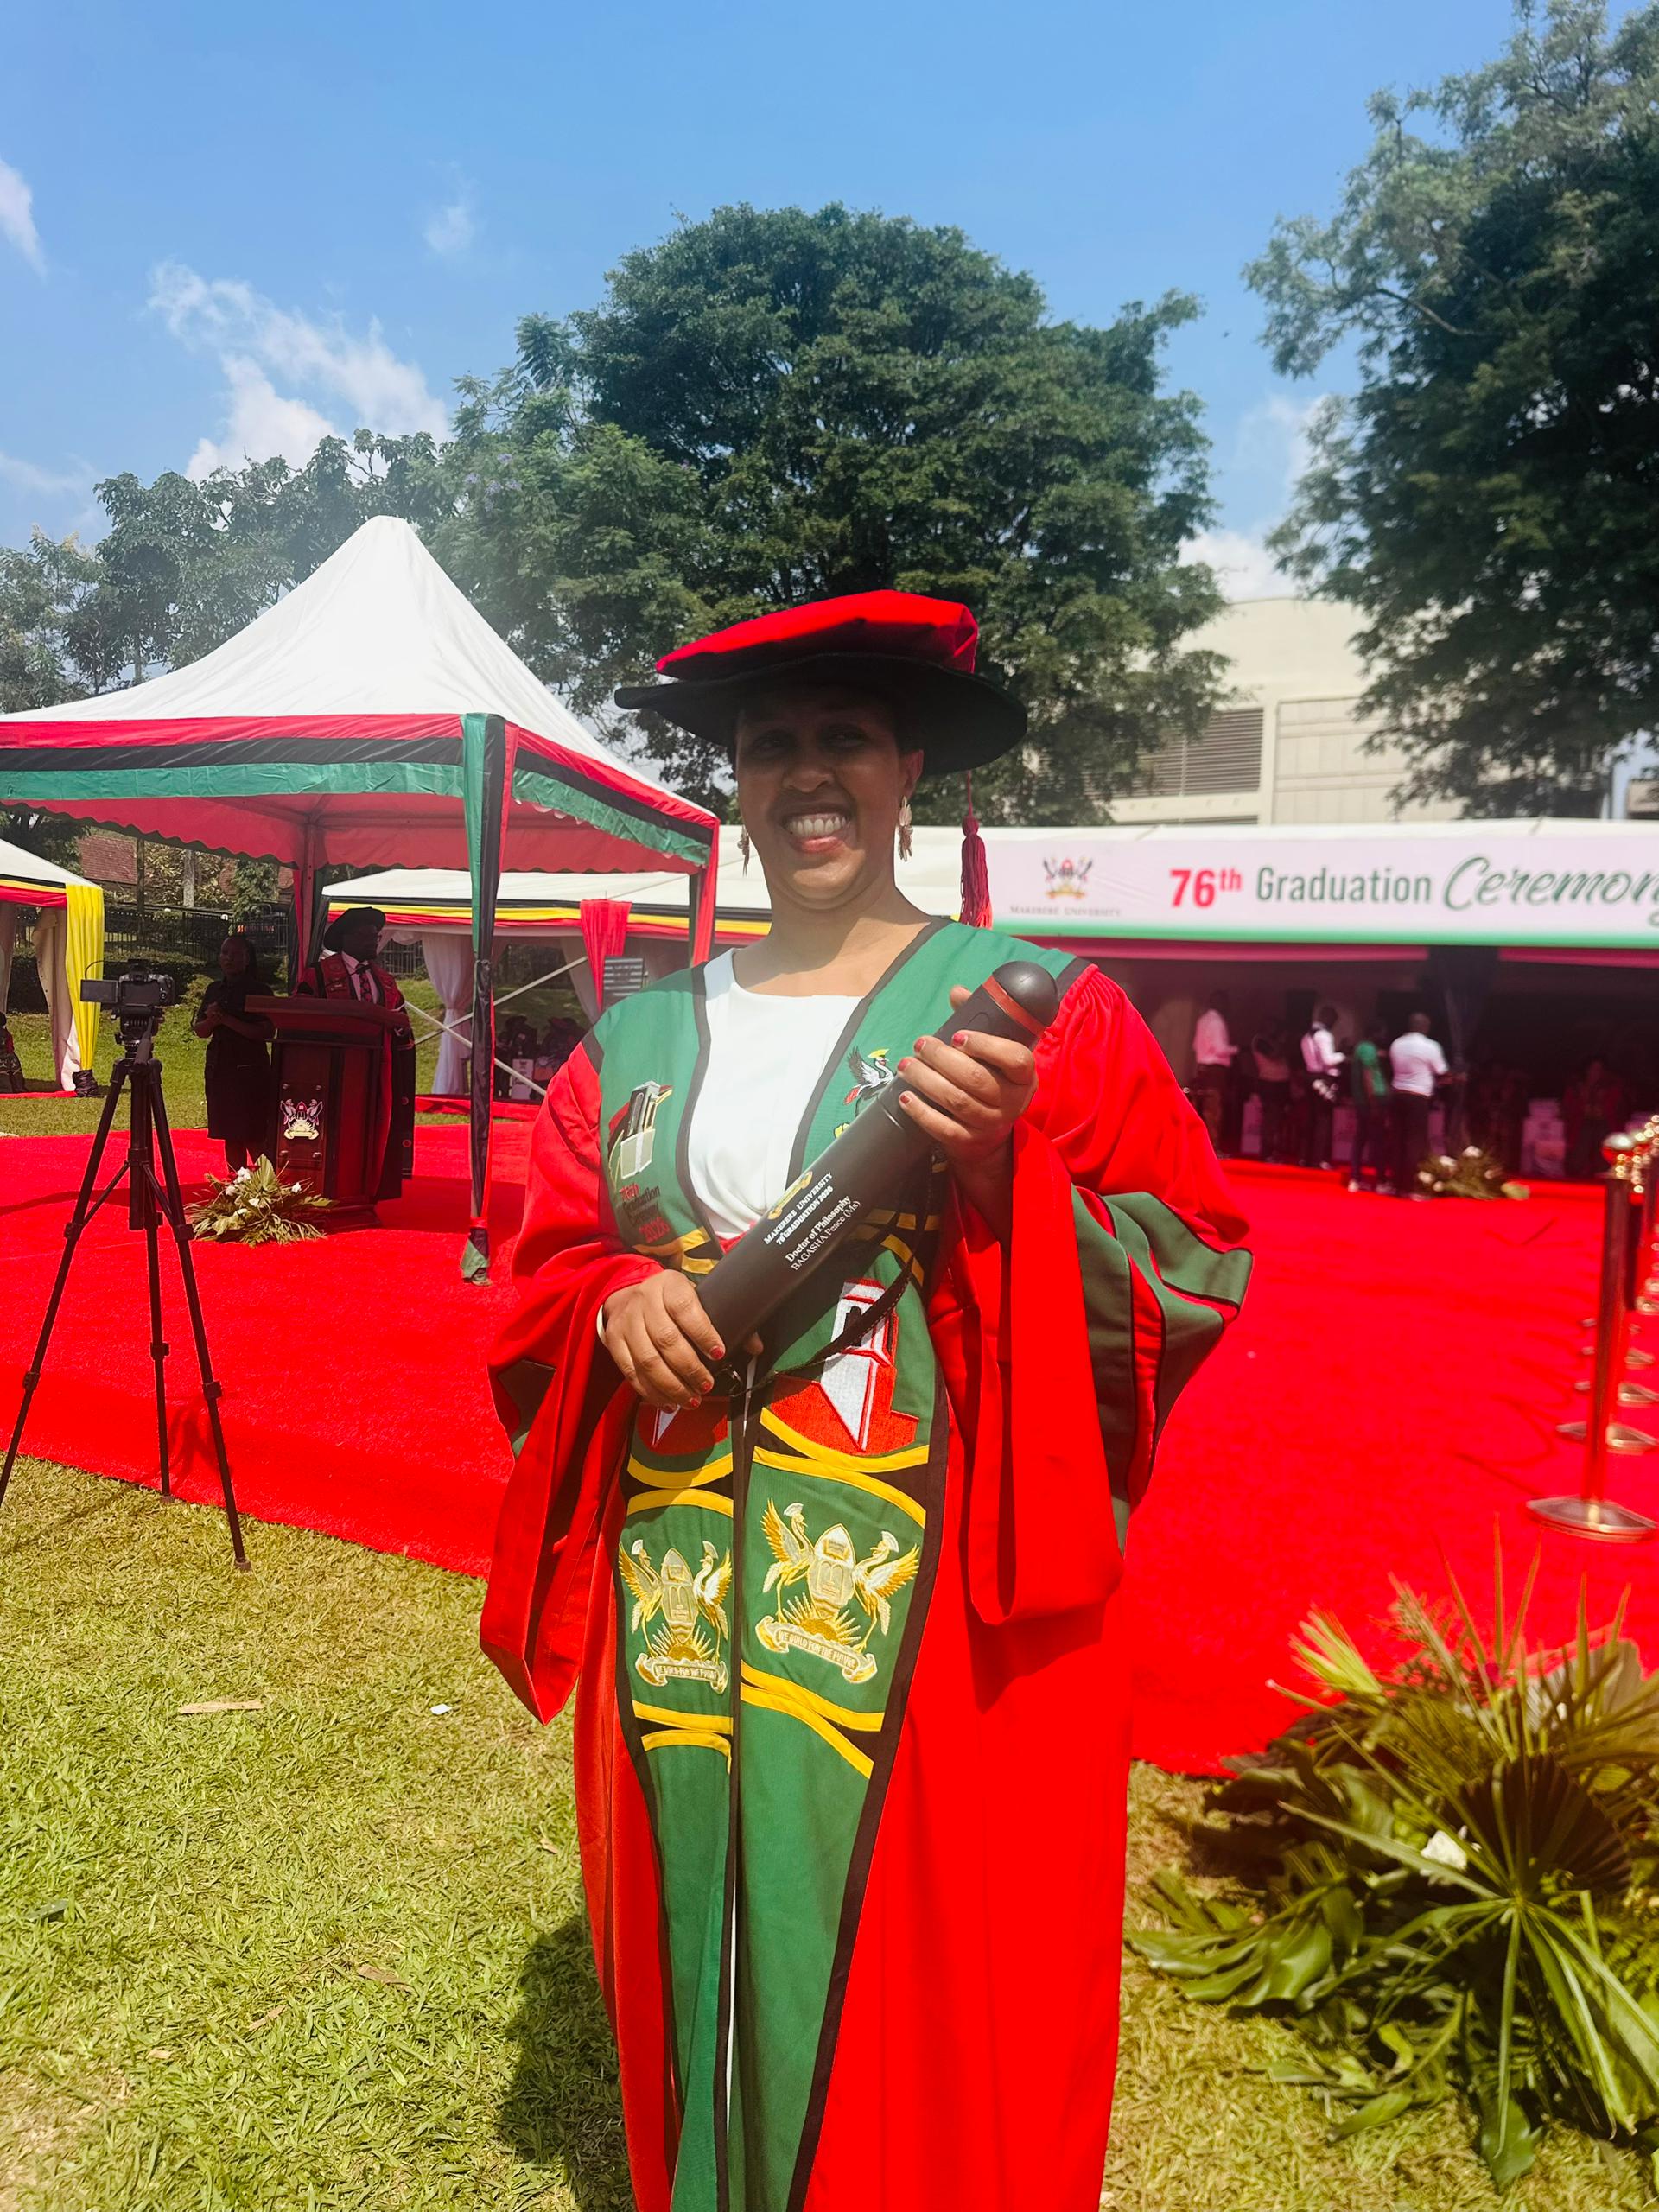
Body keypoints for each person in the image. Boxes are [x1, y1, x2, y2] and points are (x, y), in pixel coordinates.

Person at [480, 589, 1251, 2212]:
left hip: (928, 1603)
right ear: (738, 785)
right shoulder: (637, 1039)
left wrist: (1005, 1167)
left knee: (932, 1981)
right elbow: (539, 1273)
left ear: (911, 772)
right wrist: (615, 1301)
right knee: (699, 1916)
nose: (807, 774)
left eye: (846, 738)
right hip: (679, 1588)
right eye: (772, 746)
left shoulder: (1037, 1010)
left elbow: (1184, 1270)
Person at [296, 906, 416, 1198]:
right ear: (347, 938)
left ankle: (364, 1190)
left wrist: (398, 1026)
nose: (373, 942)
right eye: (366, 936)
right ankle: (326, 1190)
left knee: (370, 1129)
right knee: (335, 1131)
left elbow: (401, 1025)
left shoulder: (385, 981)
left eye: (376, 936)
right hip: (331, 1070)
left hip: (377, 1069)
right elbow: (300, 1015)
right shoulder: (319, 975)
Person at [194, 935, 274, 1173]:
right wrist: (212, 1020)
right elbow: (201, 1031)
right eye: (225, 953)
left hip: (250, 1071)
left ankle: (269, 1184)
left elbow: (265, 1032)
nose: (229, 959)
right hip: (220, 1068)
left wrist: (227, 1020)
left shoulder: (260, 991)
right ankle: (237, 1184)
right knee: (230, 1134)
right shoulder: (214, 989)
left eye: (236, 954)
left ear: (247, 959)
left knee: (253, 1134)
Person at [1389, 1010, 1450, 1198]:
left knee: (1398, 1139)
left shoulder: (1396, 1043)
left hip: (1397, 1094)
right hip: (1418, 1097)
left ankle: (1396, 1184)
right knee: (1414, 1142)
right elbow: (1441, 1071)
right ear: (1424, 1026)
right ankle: (1409, 1187)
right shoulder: (1430, 1046)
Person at [1564, 1056, 1628, 1180]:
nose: (1595, 1073)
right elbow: (1570, 1108)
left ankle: (1601, 1170)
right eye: (1593, 1069)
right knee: (1585, 1133)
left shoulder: (1611, 1088)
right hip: (1580, 1124)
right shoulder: (1577, 1088)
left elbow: (1614, 1109)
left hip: (1604, 1124)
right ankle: (1577, 1170)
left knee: (1600, 1133)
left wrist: (1600, 1107)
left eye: (1599, 1070)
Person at [1348, 1021, 1392, 1193]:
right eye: (1382, 1033)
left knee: (1361, 1138)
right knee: (1377, 1140)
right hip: (1372, 1099)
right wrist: (1373, 1102)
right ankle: (1380, 1180)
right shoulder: (1368, 1049)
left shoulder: (1362, 1048)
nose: (1384, 1037)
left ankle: (1356, 1177)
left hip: (1365, 1099)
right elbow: (1368, 1075)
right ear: (1374, 1033)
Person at [1300, 1001, 1344, 1170]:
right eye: (1334, 1019)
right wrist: (1343, 1055)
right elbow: (1328, 1060)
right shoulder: (1324, 1035)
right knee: (1323, 1120)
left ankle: (1305, 1157)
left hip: (1310, 1077)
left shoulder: (1307, 1036)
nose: (1334, 1023)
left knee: (1311, 1118)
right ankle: (1318, 1159)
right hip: (1324, 1079)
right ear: (1327, 1017)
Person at [1190, 988, 1236, 1148]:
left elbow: (1195, 1045)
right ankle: (1212, 1147)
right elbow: (1220, 1049)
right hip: (1215, 1070)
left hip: (1202, 1067)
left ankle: (1202, 1147)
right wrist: (1236, 1049)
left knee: (1203, 1109)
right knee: (1214, 1110)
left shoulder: (1203, 1020)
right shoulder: (1217, 1022)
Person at [1251, 1029, 1291, 1162]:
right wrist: (1282, 1042)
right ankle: (1267, 1152)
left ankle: (1274, 1151)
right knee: (1270, 1118)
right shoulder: (1260, 1040)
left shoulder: (1273, 1041)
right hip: (1270, 1083)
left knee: (1278, 1119)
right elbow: (1274, 1055)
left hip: (1280, 1083)